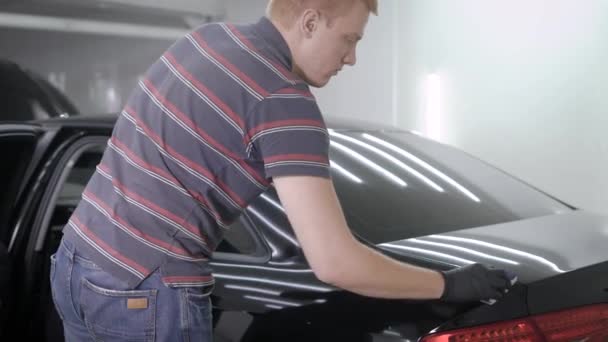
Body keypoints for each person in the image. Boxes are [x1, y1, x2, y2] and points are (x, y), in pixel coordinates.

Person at [50, 0, 515, 341]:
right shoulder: (283, 99)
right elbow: (333, 263)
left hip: (76, 262)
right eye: (349, 39)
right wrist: (448, 283)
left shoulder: (207, 40)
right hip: (144, 293)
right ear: (311, 21)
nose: (351, 58)